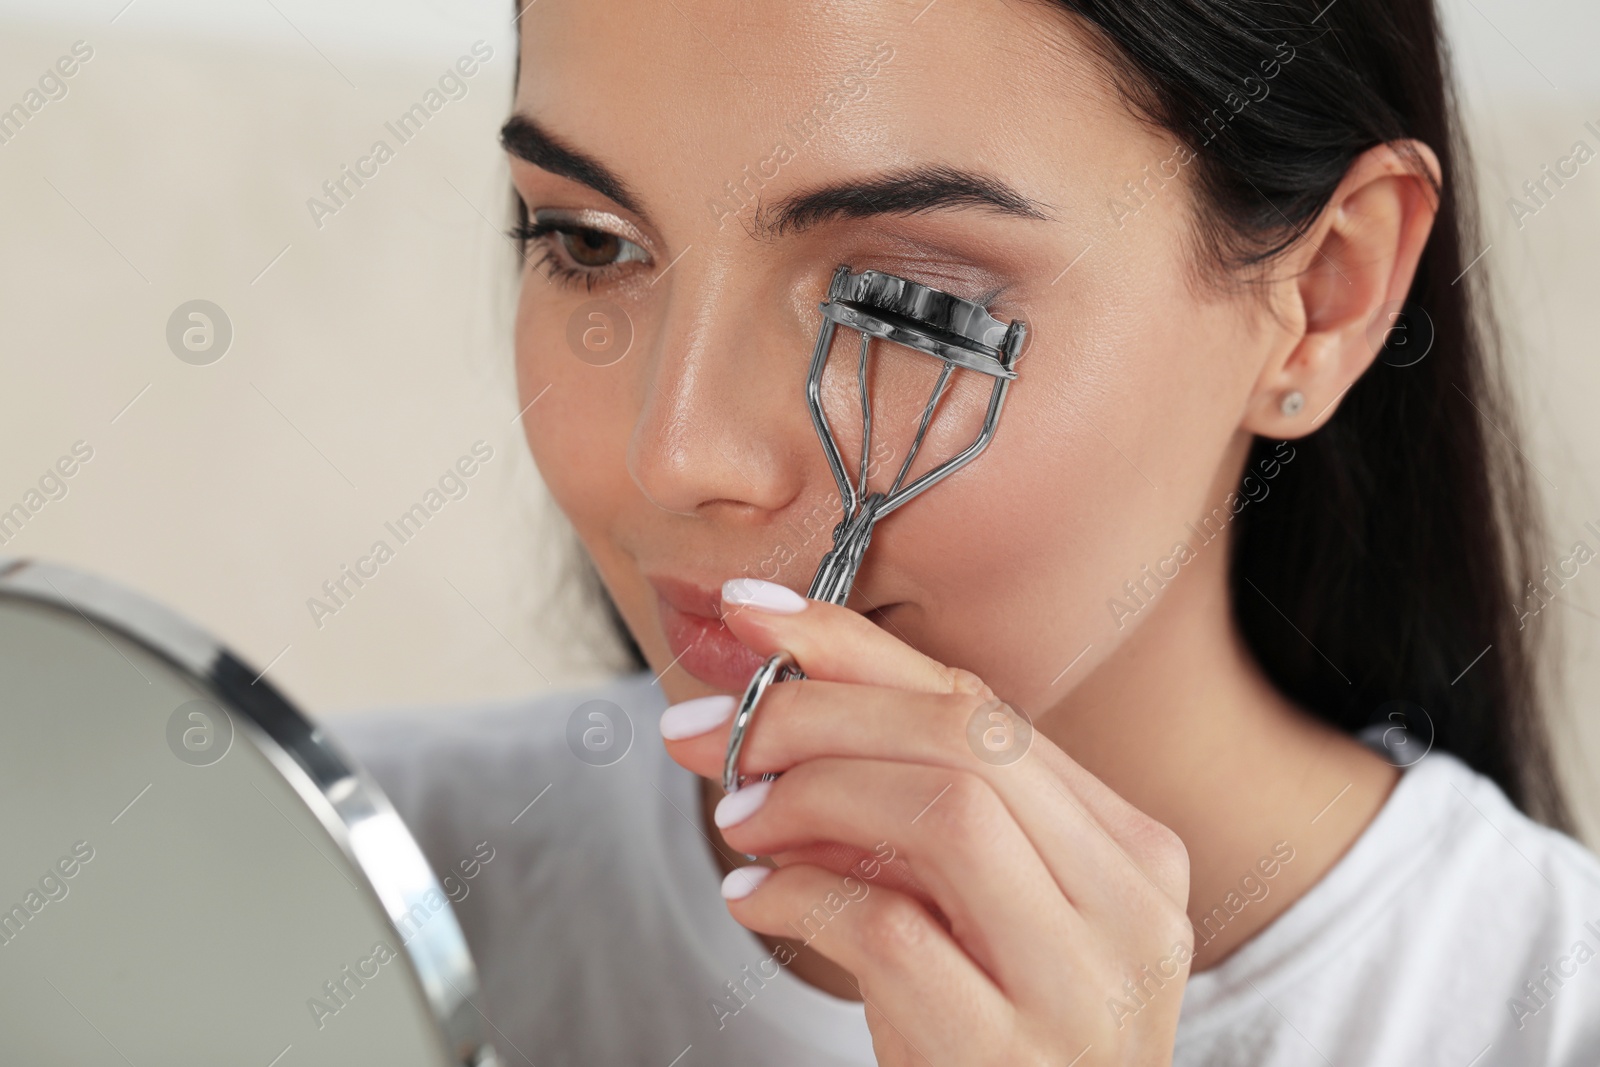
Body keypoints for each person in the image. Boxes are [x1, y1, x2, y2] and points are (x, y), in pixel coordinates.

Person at [325, 0, 1600, 1063]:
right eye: (589, 241)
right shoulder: (322, 883)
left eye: (904, 295)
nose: (677, 455)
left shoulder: (1536, 1008)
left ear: (1324, 295)